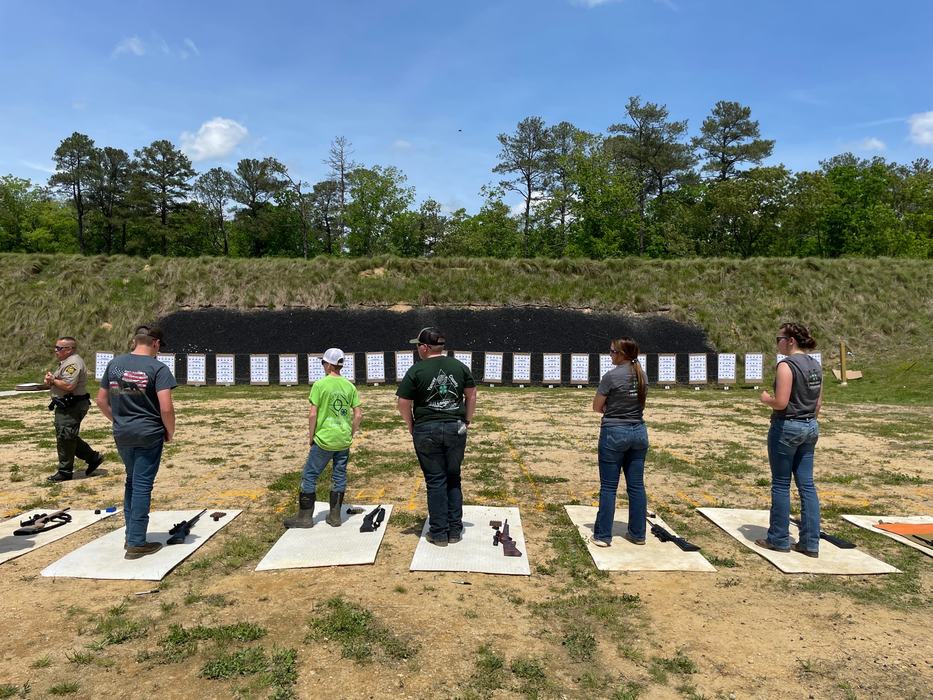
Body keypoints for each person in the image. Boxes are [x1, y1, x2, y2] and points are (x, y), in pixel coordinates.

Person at [96, 328, 177, 559]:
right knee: (142, 485)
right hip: (148, 433)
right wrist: (169, 432)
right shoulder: (158, 368)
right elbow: (166, 408)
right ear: (156, 343)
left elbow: (101, 400)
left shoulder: (115, 364)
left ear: (134, 341)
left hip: (122, 433)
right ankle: (136, 542)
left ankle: (131, 534)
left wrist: (119, 421)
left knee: (132, 481)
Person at [397, 327, 477, 546]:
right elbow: (471, 395)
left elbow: (403, 403)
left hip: (426, 428)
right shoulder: (459, 366)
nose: (417, 350)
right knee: (453, 478)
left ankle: (439, 533)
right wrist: (466, 420)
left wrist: (411, 424)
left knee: (435, 481)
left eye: (418, 346)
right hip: (455, 427)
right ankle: (454, 530)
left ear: (425, 347)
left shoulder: (416, 370)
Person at [756, 323, 823, 557]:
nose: (778, 343)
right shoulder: (815, 365)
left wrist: (766, 399)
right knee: (807, 485)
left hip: (787, 426)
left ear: (791, 341)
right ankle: (810, 543)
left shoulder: (786, 365)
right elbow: (817, 404)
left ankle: (778, 539)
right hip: (810, 426)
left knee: (782, 484)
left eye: (780, 339)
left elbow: (781, 402)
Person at [284, 348, 362, 528]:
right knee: (339, 475)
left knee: (310, 476)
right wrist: (350, 432)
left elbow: (313, 415)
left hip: (324, 439)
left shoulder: (320, 385)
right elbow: (358, 415)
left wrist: (311, 436)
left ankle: (304, 517)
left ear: (328, 365)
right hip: (343, 440)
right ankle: (335, 516)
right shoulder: (350, 386)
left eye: (323, 363)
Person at [589, 337, 650, 547]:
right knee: (636, 486)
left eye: (613, 352)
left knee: (608, 487)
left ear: (623, 354)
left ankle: (603, 535)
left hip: (615, 433)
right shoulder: (642, 375)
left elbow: (597, 407)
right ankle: (638, 533)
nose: (610, 355)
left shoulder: (611, 377)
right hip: (639, 432)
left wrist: (612, 409)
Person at [45, 337, 104, 482]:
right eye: (56, 347)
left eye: (59, 348)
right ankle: (93, 457)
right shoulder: (66, 362)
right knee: (67, 435)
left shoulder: (73, 363)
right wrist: (51, 380)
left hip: (72, 405)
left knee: (65, 436)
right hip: (66, 405)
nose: (56, 351)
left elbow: (68, 386)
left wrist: (53, 380)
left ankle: (65, 471)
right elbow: (62, 381)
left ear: (69, 349)